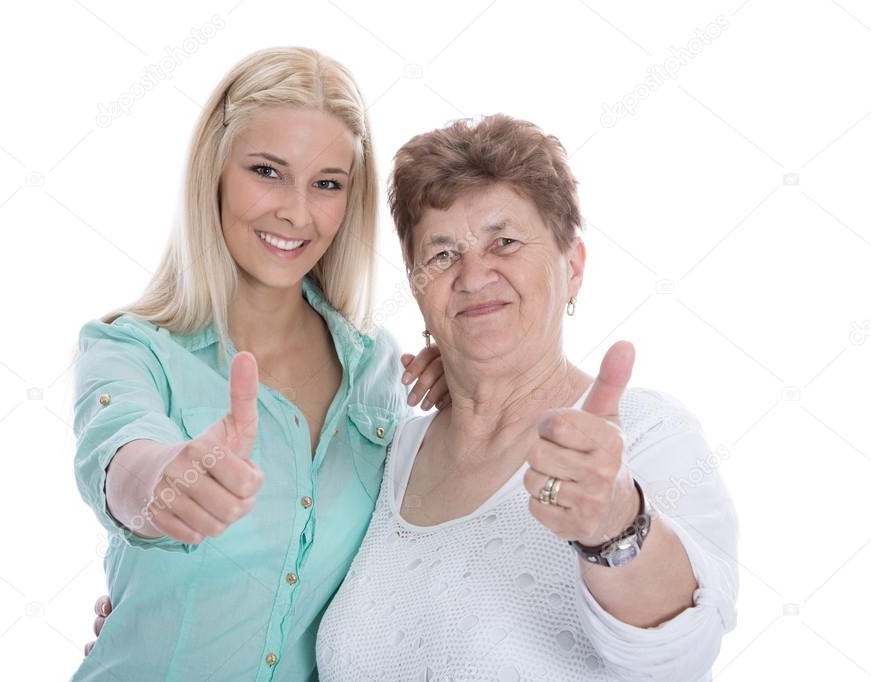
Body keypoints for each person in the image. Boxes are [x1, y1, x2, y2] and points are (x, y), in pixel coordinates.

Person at [314, 114, 739, 680]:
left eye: (505, 242)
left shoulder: (645, 433)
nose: (473, 275)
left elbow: (679, 655)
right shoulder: (389, 455)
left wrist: (616, 524)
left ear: (573, 266)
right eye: (442, 255)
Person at [70, 46, 448, 681]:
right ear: (213, 171)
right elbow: (121, 459)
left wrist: (465, 389)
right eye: (268, 171)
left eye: (327, 183)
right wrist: (165, 485)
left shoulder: (380, 367)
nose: (297, 212)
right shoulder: (130, 349)